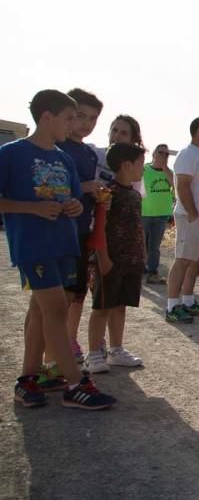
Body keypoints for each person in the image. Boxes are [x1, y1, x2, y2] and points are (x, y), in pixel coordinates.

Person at [2, 90, 115, 410]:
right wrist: (31, 209)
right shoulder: (12, 154)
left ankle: (27, 381)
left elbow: (72, 197)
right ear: (47, 117)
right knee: (54, 310)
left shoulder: (63, 158)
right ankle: (76, 384)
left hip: (64, 244)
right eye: (69, 118)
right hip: (33, 245)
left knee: (43, 311)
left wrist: (76, 204)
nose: (74, 124)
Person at [86, 143, 147, 373]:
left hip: (130, 261)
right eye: (141, 164)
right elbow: (100, 227)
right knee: (102, 307)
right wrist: (102, 256)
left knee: (120, 306)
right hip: (110, 260)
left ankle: (116, 349)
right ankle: (94, 353)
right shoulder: (107, 194)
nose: (143, 169)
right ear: (126, 165)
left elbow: (136, 227)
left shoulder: (134, 194)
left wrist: (142, 254)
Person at [55, 88, 104, 365]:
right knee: (51, 302)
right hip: (56, 233)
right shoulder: (56, 148)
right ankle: (50, 359)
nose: (86, 124)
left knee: (75, 293)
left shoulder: (88, 154)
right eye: (80, 116)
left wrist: (98, 196)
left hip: (82, 231)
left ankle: (63, 349)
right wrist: (85, 187)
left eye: (93, 118)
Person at [165, 117, 199, 323]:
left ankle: (188, 301)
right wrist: (193, 213)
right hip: (190, 215)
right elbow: (183, 186)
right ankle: (172, 307)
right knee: (183, 260)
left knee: (195, 261)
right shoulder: (187, 153)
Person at [141, 144, 174, 284]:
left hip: (161, 215)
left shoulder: (169, 172)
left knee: (154, 246)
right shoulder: (144, 169)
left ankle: (152, 272)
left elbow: (175, 185)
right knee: (141, 244)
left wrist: (165, 167)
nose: (164, 156)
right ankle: (139, 269)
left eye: (167, 154)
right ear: (154, 153)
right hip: (144, 213)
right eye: (161, 153)